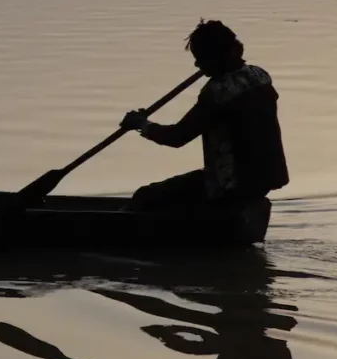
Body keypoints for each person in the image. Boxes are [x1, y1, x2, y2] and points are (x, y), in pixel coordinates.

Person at [120, 19, 288, 217]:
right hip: (262, 181)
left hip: (230, 185)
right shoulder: (260, 76)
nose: (197, 64)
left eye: (201, 58)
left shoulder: (217, 93)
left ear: (215, 58)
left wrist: (141, 124)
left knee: (144, 196)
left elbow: (177, 137)